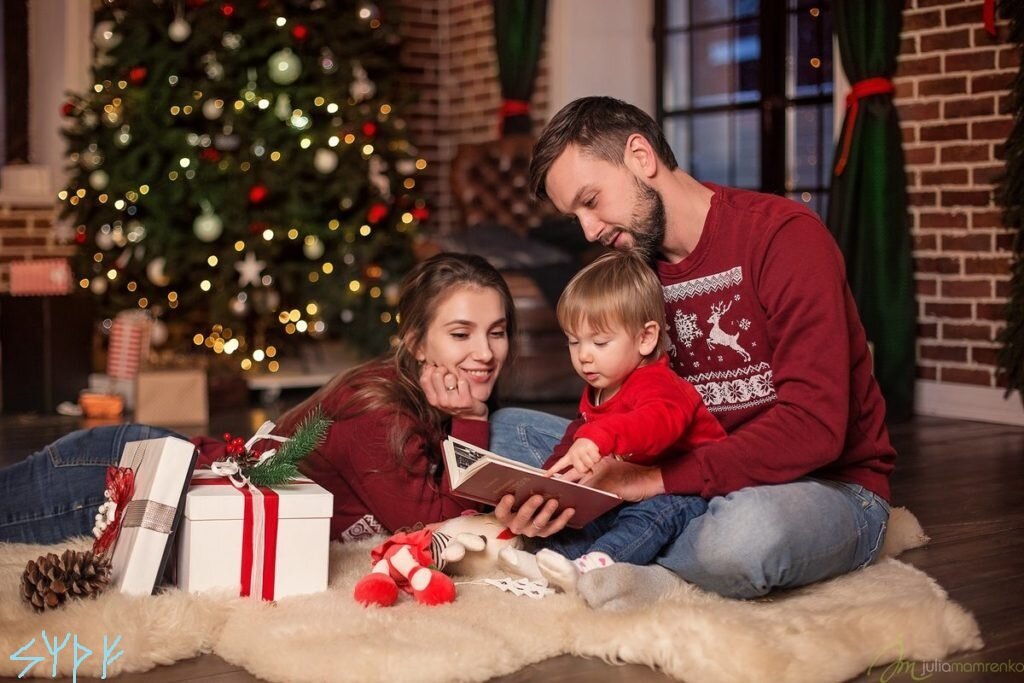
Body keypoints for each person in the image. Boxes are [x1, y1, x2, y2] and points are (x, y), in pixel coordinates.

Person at [488, 96, 895, 605]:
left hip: (817, 486)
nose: (589, 230)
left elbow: (815, 428)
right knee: (506, 433)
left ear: (640, 156)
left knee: (743, 539)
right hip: (686, 480)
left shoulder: (783, 237)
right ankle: (630, 543)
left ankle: (624, 549)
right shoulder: (635, 269)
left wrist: (651, 481)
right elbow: (603, 404)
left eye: (591, 201)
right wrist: (556, 487)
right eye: (576, 217)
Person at [0, 253, 518, 545]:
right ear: (415, 340)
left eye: (496, 332)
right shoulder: (381, 412)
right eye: (460, 333)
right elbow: (434, 521)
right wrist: (473, 416)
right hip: (130, 480)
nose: (485, 352)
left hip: (153, 476)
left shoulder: (428, 396)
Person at [496, 250, 726, 594]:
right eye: (574, 342)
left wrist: (599, 437)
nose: (584, 355)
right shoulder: (599, 386)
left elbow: (655, 426)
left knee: (646, 518)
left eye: (600, 342)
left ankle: (599, 564)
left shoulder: (659, 383)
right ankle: (553, 562)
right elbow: (575, 434)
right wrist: (549, 481)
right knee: (587, 514)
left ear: (645, 338)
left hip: (687, 489)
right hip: (630, 482)